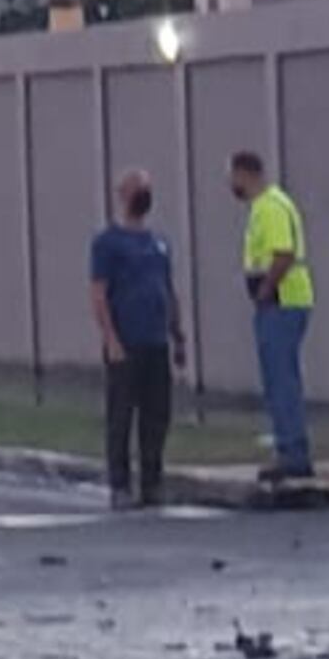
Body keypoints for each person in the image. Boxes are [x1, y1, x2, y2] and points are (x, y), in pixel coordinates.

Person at [89, 168, 185, 508]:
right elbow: (99, 294)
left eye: (148, 186)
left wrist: (178, 334)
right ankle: (119, 484)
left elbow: (168, 289)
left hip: (156, 340)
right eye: (138, 186)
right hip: (126, 341)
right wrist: (111, 339)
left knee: (156, 415)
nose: (144, 191)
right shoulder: (107, 243)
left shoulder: (158, 243)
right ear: (123, 194)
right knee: (121, 414)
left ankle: (152, 481)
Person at [229, 148, 316, 487]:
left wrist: (266, 290)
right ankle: (288, 448)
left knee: (282, 380)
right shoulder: (263, 207)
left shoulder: (270, 207)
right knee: (277, 378)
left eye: (233, 176)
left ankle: (293, 454)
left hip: (283, 301)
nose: (231, 184)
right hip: (276, 302)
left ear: (245, 174)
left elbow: (283, 254)